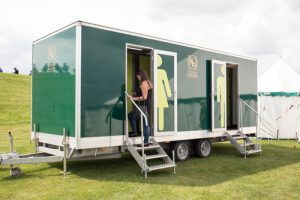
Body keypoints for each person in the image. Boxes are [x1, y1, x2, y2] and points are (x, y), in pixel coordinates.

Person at [127, 69, 153, 146]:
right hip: (147, 104)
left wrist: (132, 98)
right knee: (131, 115)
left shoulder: (143, 84)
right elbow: (145, 93)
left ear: (141, 75)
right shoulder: (149, 82)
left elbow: (144, 97)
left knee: (144, 123)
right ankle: (136, 133)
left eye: (138, 76)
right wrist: (134, 93)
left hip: (143, 105)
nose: (137, 77)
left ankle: (145, 142)